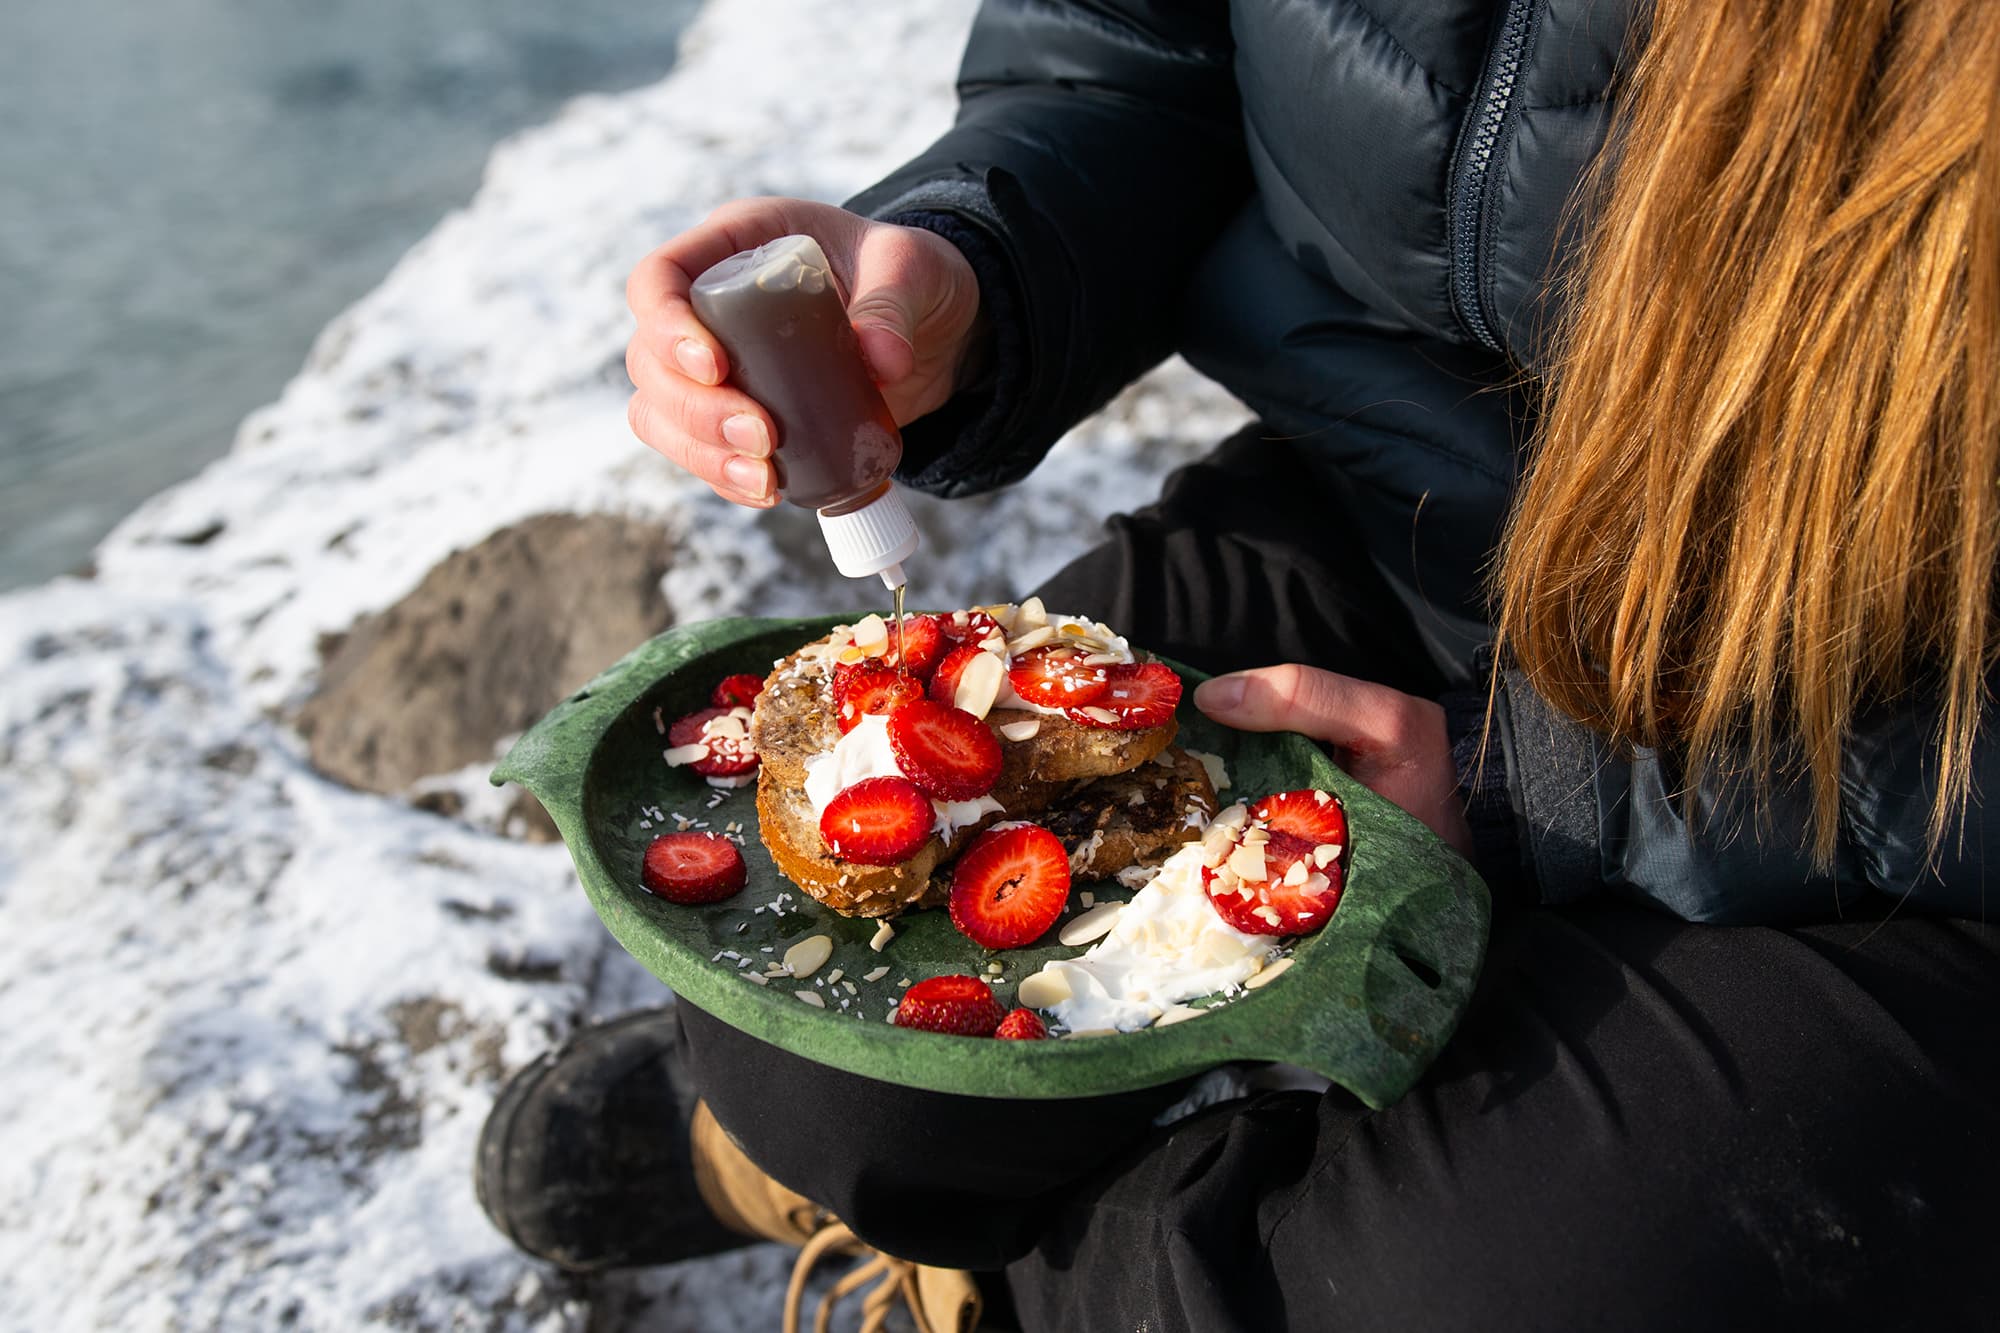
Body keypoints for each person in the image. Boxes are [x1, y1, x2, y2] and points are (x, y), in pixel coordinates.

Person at [479, 1, 2000, 1328]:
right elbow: (1140, 55)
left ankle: (990, 1249)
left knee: (1465, 1289)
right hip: (1414, 513)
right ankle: (903, 1186)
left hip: (1884, 768)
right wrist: (972, 266)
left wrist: (1545, 785)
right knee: (824, 1058)